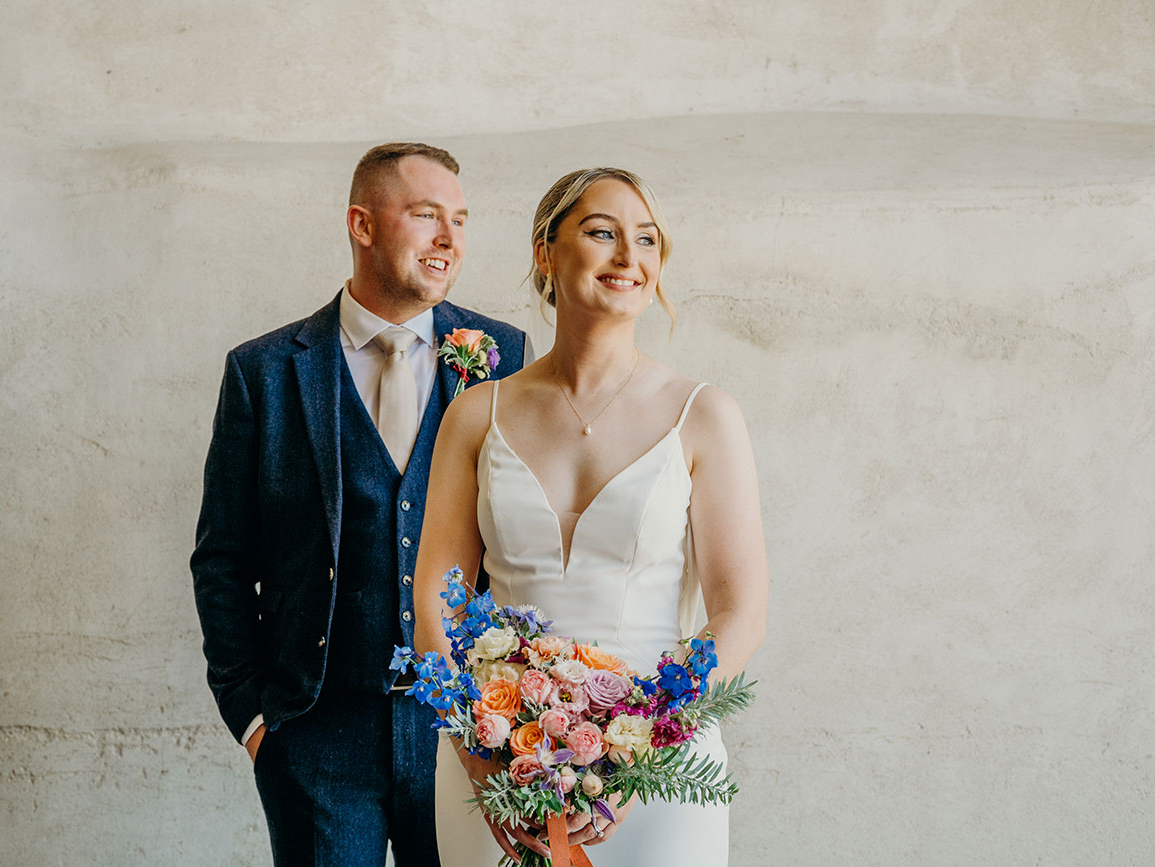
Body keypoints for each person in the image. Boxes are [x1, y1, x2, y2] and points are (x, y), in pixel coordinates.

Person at [412, 167, 768, 865]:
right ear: (546, 252)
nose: (628, 258)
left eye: (646, 240)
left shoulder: (705, 416)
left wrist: (641, 755)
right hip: (499, 764)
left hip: (658, 770)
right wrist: (476, 751)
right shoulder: (475, 414)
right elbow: (434, 598)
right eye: (601, 232)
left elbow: (741, 614)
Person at [191, 142, 529, 866]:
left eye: (461, 221)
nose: (449, 240)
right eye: (426, 216)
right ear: (363, 224)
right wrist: (254, 717)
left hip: (464, 731)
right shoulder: (265, 372)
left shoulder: (504, 355)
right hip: (317, 735)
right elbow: (222, 558)